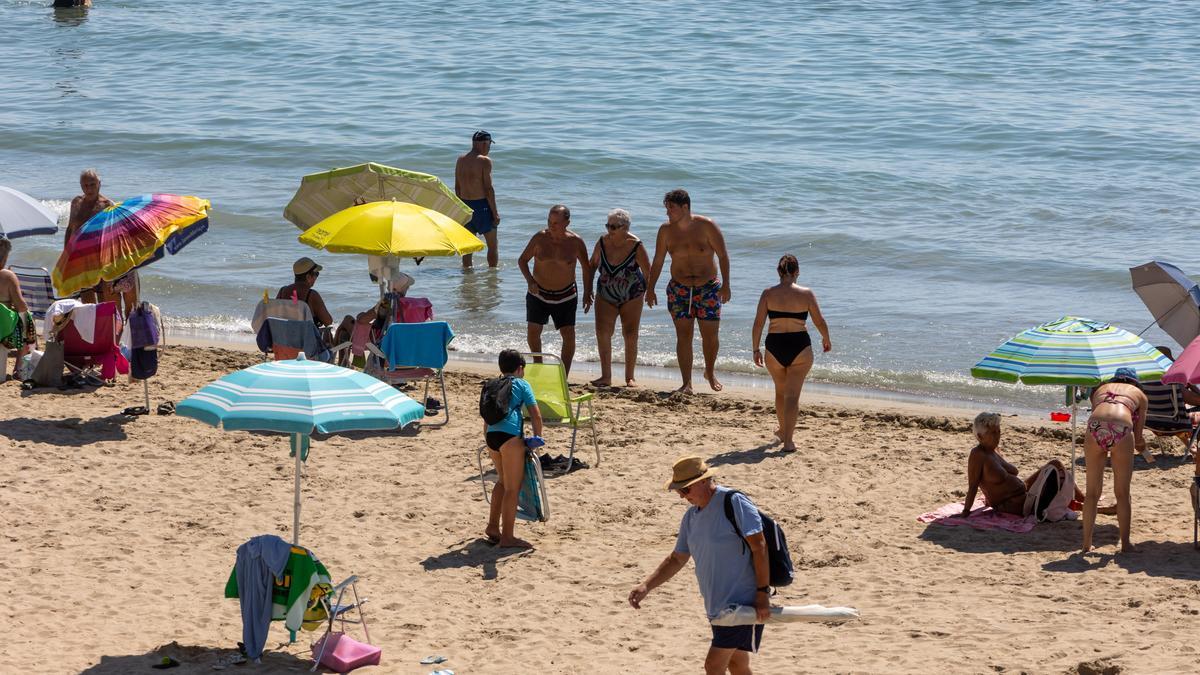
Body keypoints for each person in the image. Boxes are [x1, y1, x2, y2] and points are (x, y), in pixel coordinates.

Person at [628, 456, 770, 675]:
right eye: (679, 491)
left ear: (704, 481)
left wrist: (762, 594)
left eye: (685, 490)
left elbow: (759, 546)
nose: (682, 496)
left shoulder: (733, 502)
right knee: (737, 664)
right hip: (716, 604)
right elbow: (677, 558)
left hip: (741, 603)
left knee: (713, 665)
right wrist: (647, 585)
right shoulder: (691, 517)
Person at [645, 189, 731, 393]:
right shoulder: (665, 231)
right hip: (679, 288)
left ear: (685, 207)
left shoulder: (707, 226)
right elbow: (657, 261)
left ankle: (709, 371)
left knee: (710, 337)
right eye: (666, 209)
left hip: (708, 288)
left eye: (671, 208)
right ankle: (687, 383)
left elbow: (723, 256)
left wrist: (726, 285)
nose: (668, 213)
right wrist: (650, 288)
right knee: (683, 336)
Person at [749, 255, 831, 452]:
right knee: (792, 396)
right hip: (799, 346)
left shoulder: (768, 294)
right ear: (797, 272)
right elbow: (819, 320)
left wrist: (755, 348)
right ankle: (788, 441)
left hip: (774, 345)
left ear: (778, 272)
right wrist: (826, 338)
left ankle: (783, 431)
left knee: (780, 391)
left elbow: (758, 323)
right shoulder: (806, 294)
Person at [956, 412, 1085, 518]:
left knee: (1056, 465)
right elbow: (973, 486)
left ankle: (1082, 502)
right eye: (993, 433)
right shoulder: (978, 454)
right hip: (1016, 503)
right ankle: (1084, 502)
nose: (998, 437)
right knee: (1055, 473)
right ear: (979, 436)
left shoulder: (994, 451)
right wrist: (966, 512)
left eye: (999, 432)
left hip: (1023, 491)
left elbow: (1000, 480)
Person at [517, 205, 592, 376]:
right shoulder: (539, 238)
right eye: (549, 221)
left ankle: (563, 375)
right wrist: (529, 281)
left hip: (566, 295)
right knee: (534, 331)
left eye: (556, 223)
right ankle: (539, 366)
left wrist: (588, 292)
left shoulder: (576, 242)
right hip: (539, 293)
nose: (552, 226)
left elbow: (586, 269)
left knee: (568, 334)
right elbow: (522, 260)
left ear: (567, 222)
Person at [1082, 368, 1148, 554]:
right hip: (1122, 427)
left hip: (1094, 427)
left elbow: (1099, 410)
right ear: (1134, 382)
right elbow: (1139, 435)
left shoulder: (1100, 390)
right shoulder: (1140, 395)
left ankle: (1087, 544)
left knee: (1092, 493)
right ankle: (1126, 544)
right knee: (1122, 493)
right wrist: (1142, 446)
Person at [483, 349, 544, 549]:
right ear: (520, 368)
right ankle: (507, 536)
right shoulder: (522, 384)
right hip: (510, 438)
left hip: (491, 436)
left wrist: (487, 438)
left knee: (501, 481)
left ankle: (493, 527)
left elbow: (487, 417)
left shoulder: (492, 384)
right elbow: (535, 416)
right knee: (512, 488)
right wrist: (537, 440)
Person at [589, 208, 650, 387]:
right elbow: (592, 265)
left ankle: (629, 377)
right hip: (605, 293)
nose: (609, 230)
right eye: (608, 225)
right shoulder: (602, 242)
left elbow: (648, 270)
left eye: (614, 227)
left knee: (630, 334)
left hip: (632, 294)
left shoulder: (636, 245)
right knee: (602, 333)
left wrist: (649, 292)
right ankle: (605, 376)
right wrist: (587, 290)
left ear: (625, 227)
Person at [65, 168, 113, 304]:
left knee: (103, 299)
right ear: (81, 186)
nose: (89, 188)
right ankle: (91, 324)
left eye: (92, 184)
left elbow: (112, 235)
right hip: (79, 257)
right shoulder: (76, 203)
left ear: (99, 184)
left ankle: (103, 324)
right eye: (86, 185)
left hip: (100, 258)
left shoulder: (107, 205)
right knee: (86, 299)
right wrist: (66, 254)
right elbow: (69, 229)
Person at [455, 130, 500, 269]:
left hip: (465, 205)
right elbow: (488, 189)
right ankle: (493, 275)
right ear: (483, 143)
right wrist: (495, 213)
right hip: (482, 206)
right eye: (488, 144)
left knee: (468, 246)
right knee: (493, 245)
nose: (489, 148)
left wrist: (460, 209)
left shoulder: (461, 159)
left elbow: (457, 187)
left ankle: (467, 276)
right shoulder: (484, 161)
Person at [0, 238, 33, 381]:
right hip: (3, 333)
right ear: (5, 256)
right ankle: (19, 368)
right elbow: (21, 306)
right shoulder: (7, 275)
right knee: (27, 321)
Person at [277, 257, 333, 328]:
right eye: (316, 274)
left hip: (283, 337)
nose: (316, 277)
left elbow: (275, 317)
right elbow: (328, 321)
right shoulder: (311, 295)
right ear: (308, 277)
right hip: (306, 338)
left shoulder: (282, 291)